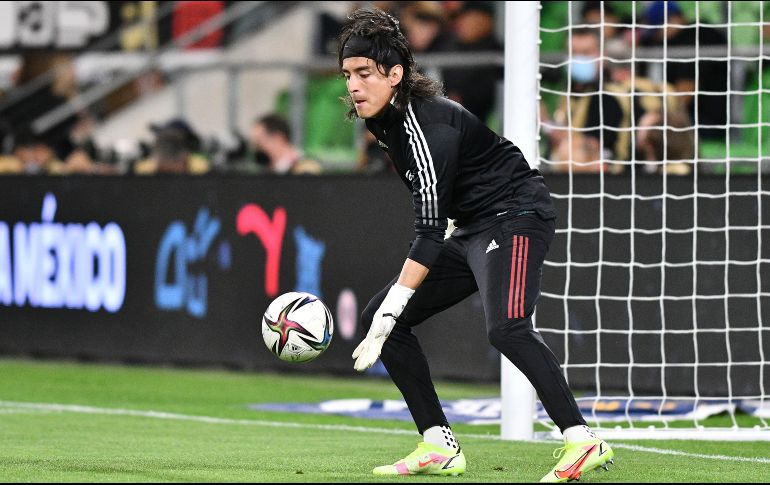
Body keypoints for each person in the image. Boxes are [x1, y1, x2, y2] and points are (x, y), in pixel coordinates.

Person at [338, 8, 614, 481]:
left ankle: (583, 440)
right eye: (347, 74)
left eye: (364, 72)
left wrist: (395, 303)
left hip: (517, 214)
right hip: (471, 226)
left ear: (396, 74)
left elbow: (426, 231)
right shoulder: (383, 122)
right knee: (383, 319)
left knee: (505, 326)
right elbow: (439, 211)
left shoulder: (428, 126)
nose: (353, 85)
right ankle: (438, 444)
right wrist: (391, 309)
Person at [249, 114, 321, 175]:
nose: (257, 147)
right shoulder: (265, 169)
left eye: (259, 141)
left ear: (278, 138)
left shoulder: (305, 168)